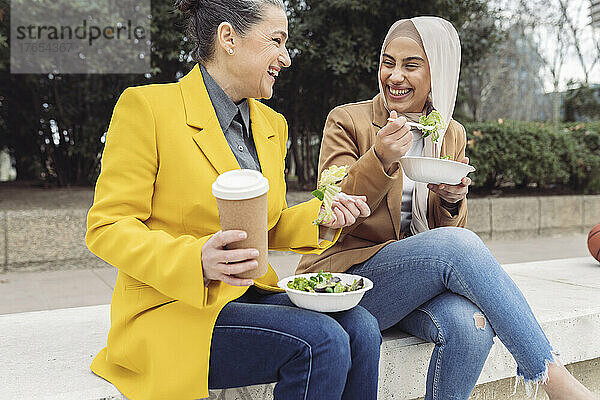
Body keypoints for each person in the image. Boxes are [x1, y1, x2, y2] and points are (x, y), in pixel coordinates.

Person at [85, 1, 380, 399]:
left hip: (248, 296)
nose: (286, 58)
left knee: (361, 328)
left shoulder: (272, 126)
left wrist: (323, 217)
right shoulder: (148, 108)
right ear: (228, 38)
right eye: (276, 40)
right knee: (320, 340)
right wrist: (196, 260)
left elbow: (264, 226)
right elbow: (108, 227)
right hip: (172, 309)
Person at [298, 16, 594, 400]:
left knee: (471, 326)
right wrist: (380, 157)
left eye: (411, 64)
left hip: (417, 282)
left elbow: (449, 232)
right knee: (458, 244)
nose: (394, 76)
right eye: (388, 62)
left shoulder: (450, 132)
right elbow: (330, 208)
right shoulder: (348, 120)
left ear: (438, 71)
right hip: (355, 278)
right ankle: (551, 378)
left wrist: (452, 201)